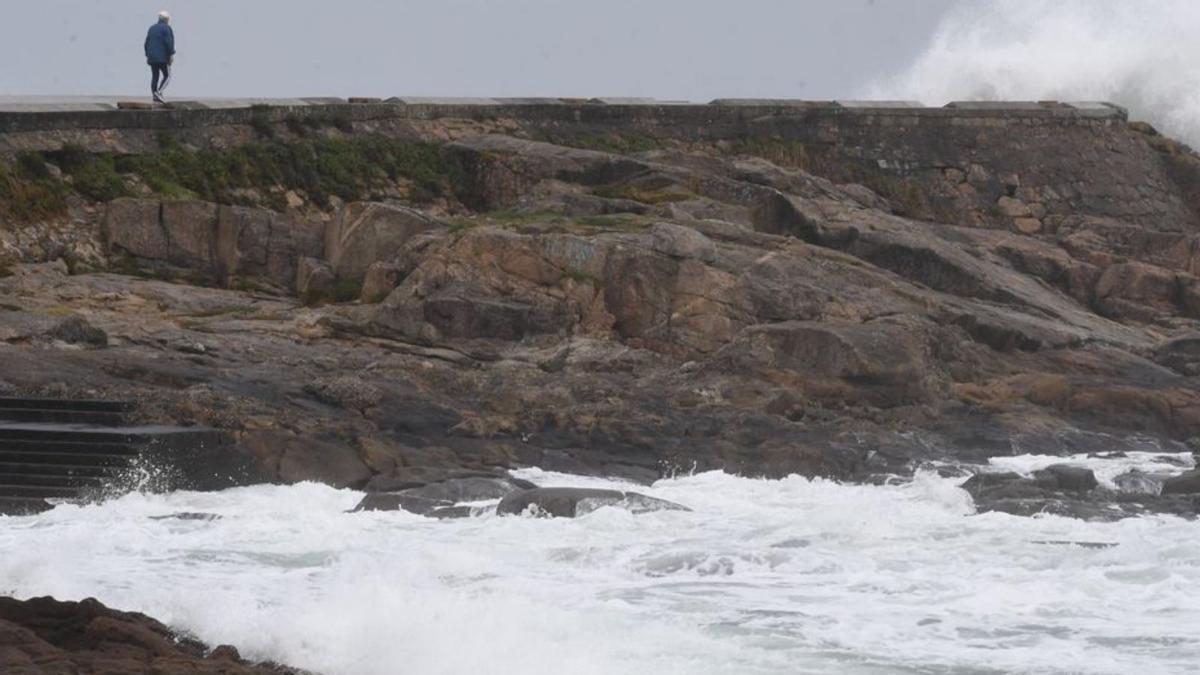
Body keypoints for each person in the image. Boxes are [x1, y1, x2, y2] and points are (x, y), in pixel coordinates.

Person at [144, 11, 176, 103]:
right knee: (167, 76)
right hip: (162, 58)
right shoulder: (167, 28)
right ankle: (158, 92)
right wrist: (171, 55)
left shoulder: (151, 28)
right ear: (167, 19)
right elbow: (169, 43)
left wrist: (147, 54)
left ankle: (155, 96)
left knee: (155, 76)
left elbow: (146, 43)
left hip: (152, 57)